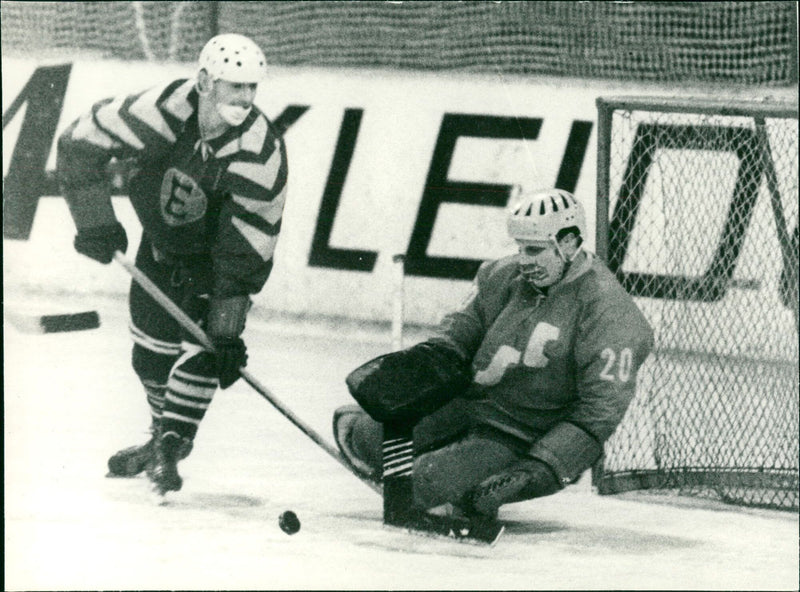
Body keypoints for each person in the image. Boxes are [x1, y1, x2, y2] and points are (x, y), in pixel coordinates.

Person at [334, 187, 654, 523]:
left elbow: (598, 414)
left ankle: (464, 484)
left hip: (517, 434)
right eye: (520, 249)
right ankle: (385, 436)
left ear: (570, 244)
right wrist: (423, 364)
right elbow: (460, 329)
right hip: (466, 403)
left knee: (423, 483)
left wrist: (542, 467)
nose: (525, 261)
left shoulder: (611, 312)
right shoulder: (502, 274)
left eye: (535, 250)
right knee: (365, 438)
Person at [56, 33, 288, 495]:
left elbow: (247, 246)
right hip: (157, 247)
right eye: (233, 86)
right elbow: (80, 142)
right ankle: (159, 434)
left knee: (204, 353)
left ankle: (172, 444)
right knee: (149, 357)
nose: (245, 98)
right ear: (204, 81)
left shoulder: (261, 152)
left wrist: (227, 327)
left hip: (211, 262)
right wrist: (94, 220)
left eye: (251, 88)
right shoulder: (161, 110)